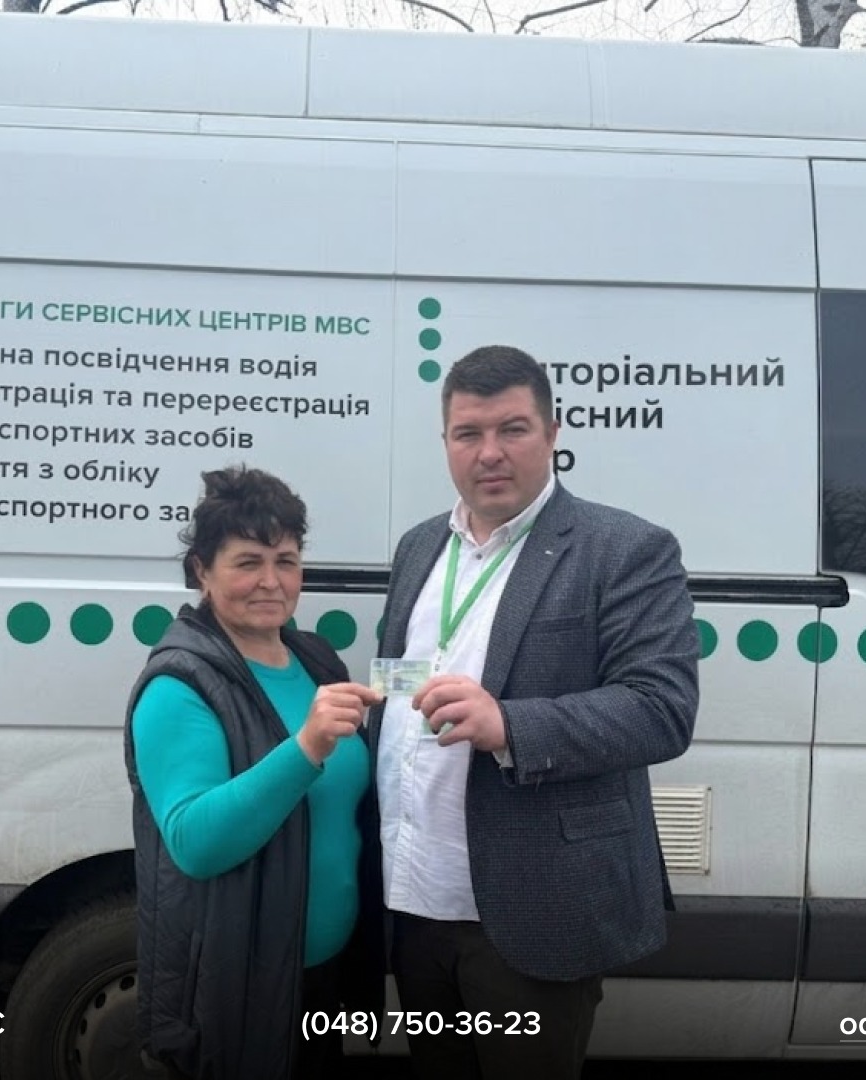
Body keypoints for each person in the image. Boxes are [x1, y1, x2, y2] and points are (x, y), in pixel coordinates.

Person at [371, 344, 700, 1080]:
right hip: (414, 900)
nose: (489, 452)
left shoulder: (624, 548)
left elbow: (662, 707)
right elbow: (403, 682)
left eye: (512, 429)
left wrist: (510, 726)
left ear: (552, 434)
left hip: (531, 910)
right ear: (446, 442)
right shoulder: (419, 547)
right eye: (468, 433)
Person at [123, 465, 385, 1080]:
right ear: (202, 571)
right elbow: (196, 843)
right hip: (238, 988)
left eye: (286, 561)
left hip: (323, 977)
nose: (271, 581)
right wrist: (306, 747)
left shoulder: (315, 659)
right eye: (247, 562)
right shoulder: (178, 684)